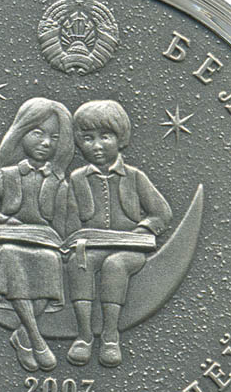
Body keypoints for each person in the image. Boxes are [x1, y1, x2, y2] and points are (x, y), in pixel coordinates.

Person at [66, 100, 172, 367]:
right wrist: (74, 237)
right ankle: (84, 335)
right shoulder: (77, 179)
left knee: (115, 265)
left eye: (105, 137)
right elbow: (70, 219)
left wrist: (141, 231)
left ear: (121, 138)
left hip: (129, 250)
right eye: (88, 138)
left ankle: (111, 335)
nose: (97, 146)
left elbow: (161, 213)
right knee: (79, 263)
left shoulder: (134, 177)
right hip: (91, 247)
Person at [0, 98, 73, 372]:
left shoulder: (59, 182)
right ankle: (36, 339)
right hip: (12, 242)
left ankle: (23, 335)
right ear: (21, 133)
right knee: (9, 254)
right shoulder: (7, 175)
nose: (46, 143)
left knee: (50, 259)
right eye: (38, 133)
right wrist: (6, 220)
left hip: (45, 246)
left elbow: (62, 225)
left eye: (54, 137)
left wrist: (64, 241)